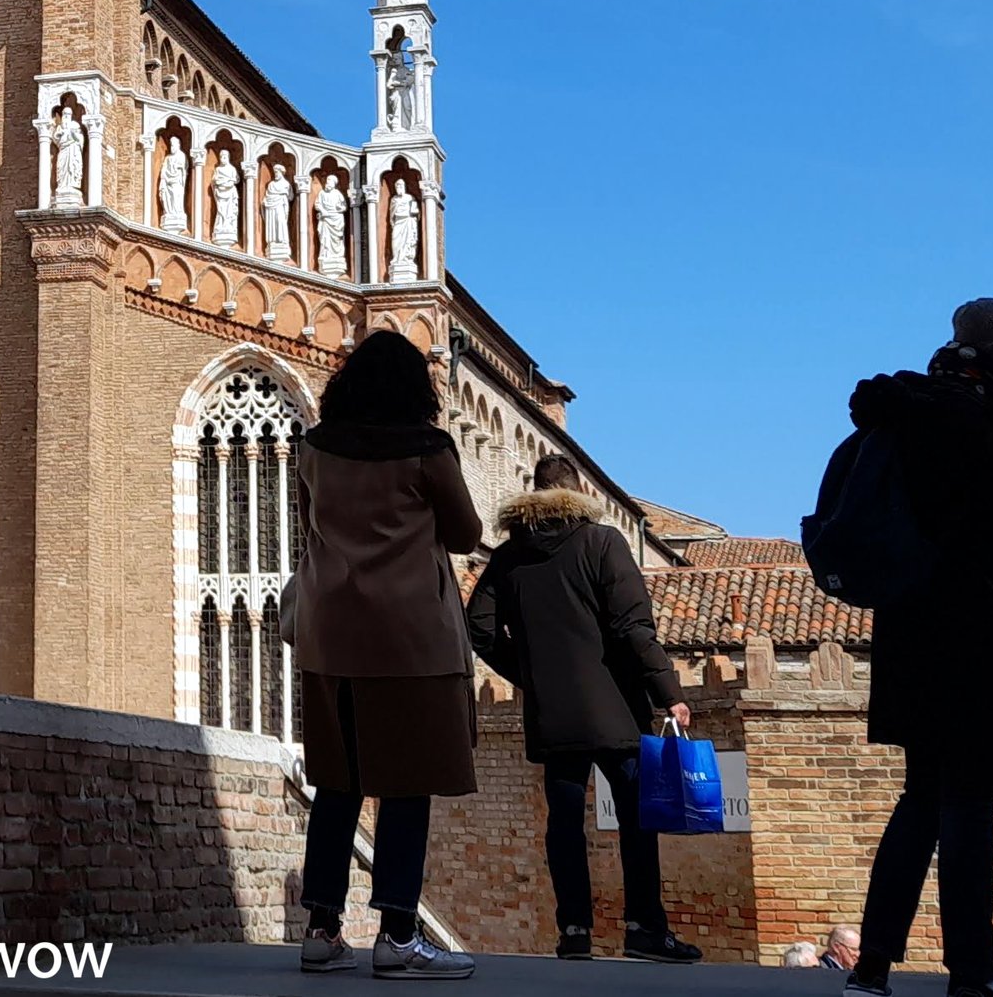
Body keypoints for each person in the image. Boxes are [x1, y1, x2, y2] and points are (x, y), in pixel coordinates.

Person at [829, 299, 993, 997]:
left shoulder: (910, 409)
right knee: (966, 805)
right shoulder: (964, 416)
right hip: (969, 638)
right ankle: (974, 970)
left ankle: (872, 968)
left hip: (911, 638)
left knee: (923, 799)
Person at [289, 330, 483, 980]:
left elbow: (307, 520)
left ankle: (320, 926)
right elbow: (465, 532)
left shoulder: (313, 450)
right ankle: (398, 933)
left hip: (329, 635)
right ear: (414, 389)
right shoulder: (426, 449)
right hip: (407, 641)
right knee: (405, 783)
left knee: (336, 783)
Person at [467, 454, 703, 965]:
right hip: (615, 706)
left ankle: (573, 930)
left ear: (534, 494)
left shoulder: (509, 557)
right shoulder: (602, 543)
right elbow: (632, 627)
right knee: (637, 821)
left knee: (564, 822)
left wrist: (529, 675)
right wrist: (670, 691)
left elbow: (480, 628)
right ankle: (644, 929)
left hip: (555, 715)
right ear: (577, 494)